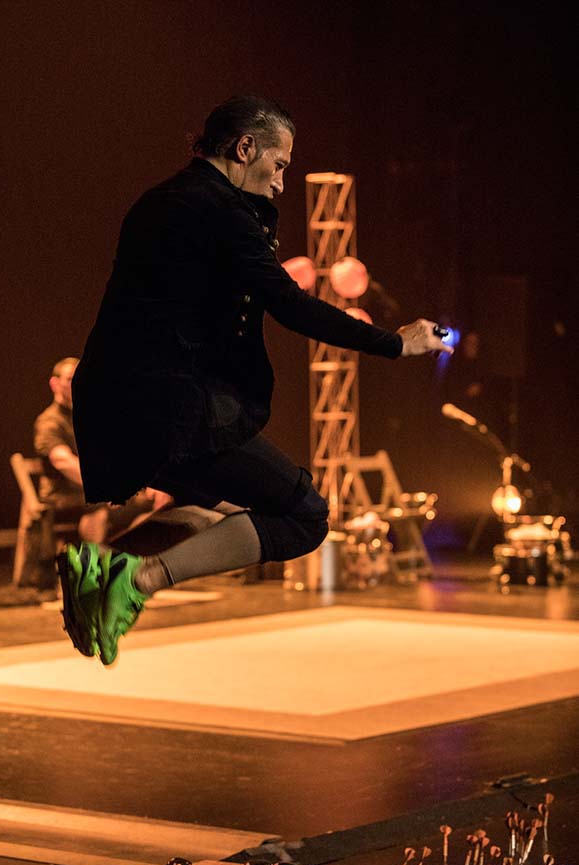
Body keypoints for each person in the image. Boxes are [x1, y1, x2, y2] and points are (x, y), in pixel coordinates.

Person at [60, 95, 453, 666]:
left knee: (207, 514)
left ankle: (99, 567)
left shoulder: (160, 201)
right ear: (245, 148)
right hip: (172, 406)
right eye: (280, 164)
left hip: (115, 401)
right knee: (304, 516)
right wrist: (396, 342)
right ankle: (135, 579)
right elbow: (290, 305)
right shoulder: (219, 212)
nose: (281, 183)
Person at [34, 357, 168, 544]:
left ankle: (131, 553)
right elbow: (63, 461)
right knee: (99, 506)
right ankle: (94, 558)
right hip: (67, 498)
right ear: (54, 384)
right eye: (71, 379)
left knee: (158, 500)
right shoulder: (50, 422)